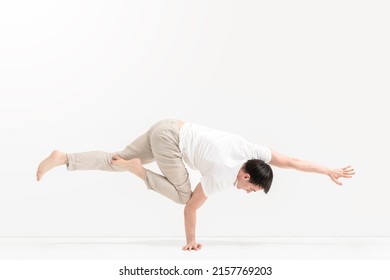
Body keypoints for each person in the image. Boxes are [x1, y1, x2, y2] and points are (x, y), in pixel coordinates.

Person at [36, 119, 355, 251]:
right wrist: (191, 242)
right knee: (181, 194)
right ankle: (138, 172)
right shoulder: (220, 178)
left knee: (115, 160)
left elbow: (295, 163)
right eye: (252, 190)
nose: (247, 194)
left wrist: (327, 169)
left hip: (169, 125)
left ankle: (64, 157)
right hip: (171, 144)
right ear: (245, 177)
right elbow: (191, 206)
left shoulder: (252, 152)